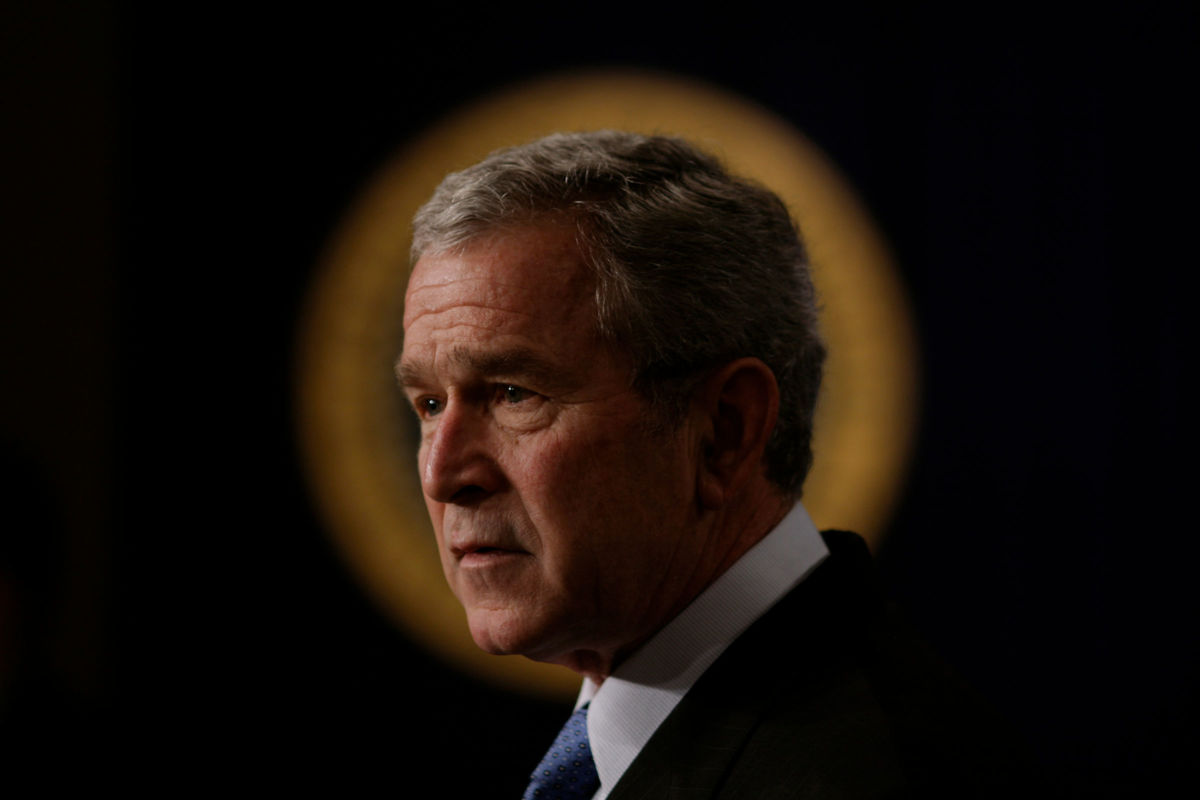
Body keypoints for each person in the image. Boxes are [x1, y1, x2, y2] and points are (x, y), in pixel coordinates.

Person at [397, 131, 1022, 798]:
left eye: (514, 394)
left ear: (724, 431)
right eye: (430, 404)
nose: (443, 475)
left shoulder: (863, 776)